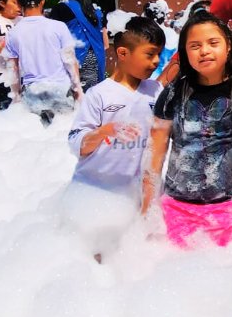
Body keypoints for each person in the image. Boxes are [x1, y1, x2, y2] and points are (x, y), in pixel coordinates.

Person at [144, 12, 232, 247]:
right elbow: (154, 158)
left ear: (229, 47)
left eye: (213, 43)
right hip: (180, 209)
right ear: (184, 52)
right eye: (195, 45)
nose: (204, 51)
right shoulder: (171, 95)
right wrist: (147, 212)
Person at [64, 16, 165, 258]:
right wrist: (104, 131)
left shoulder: (155, 91)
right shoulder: (99, 94)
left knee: (130, 254)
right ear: (123, 53)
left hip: (132, 193)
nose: (156, 61)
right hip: (95, 191)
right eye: (150, 54)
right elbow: (76, 143)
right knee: (93, 255)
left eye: (158, 55)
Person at [3, 0, 82, 126]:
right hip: (60, 88)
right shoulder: (58, 27)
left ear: (20, 4)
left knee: (38, 138)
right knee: (63, 133)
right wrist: (78, 88)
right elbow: (69, 60)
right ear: (42, 2)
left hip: (32, 91)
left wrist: (16, 96)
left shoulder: (13, 33)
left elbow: (12, 68)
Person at [49, 0, 108, 91]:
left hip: (74, 58)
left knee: (72, 97)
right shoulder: (96, 10)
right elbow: (105, 42)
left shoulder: (62, 7)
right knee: (91, 94)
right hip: (95, 57)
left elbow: (51, 36)